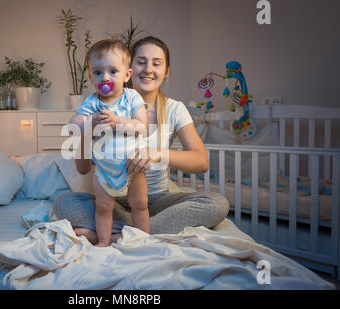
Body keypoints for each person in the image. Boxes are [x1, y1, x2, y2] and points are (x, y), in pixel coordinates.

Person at [55, 36, 229, 245]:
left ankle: (115, 235)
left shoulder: (174, 109)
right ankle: (140, 231)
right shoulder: (97, 106)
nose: (148, 69)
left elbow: (201, 162)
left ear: (166, 71)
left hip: (157, 198)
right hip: (112, 197)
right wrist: (87, 129)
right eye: (141, 61)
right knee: (64, 203)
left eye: (156, 63)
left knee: (217, 204)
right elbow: (82, 169)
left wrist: (156, 154)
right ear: (130, 69)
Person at [69, 39, 149, 247]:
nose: (105, 77)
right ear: (90, 77)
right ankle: (104, 241)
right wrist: (89, 122)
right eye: (98, 72)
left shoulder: (131, 98)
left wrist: (118, 122)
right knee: (103, 206)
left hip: (132, 168)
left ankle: (143, 239)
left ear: (127, 75)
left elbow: (141, 126)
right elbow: (73, 125)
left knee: (140, 205)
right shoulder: (92, 103)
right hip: (104, 170)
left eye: (113, 71)